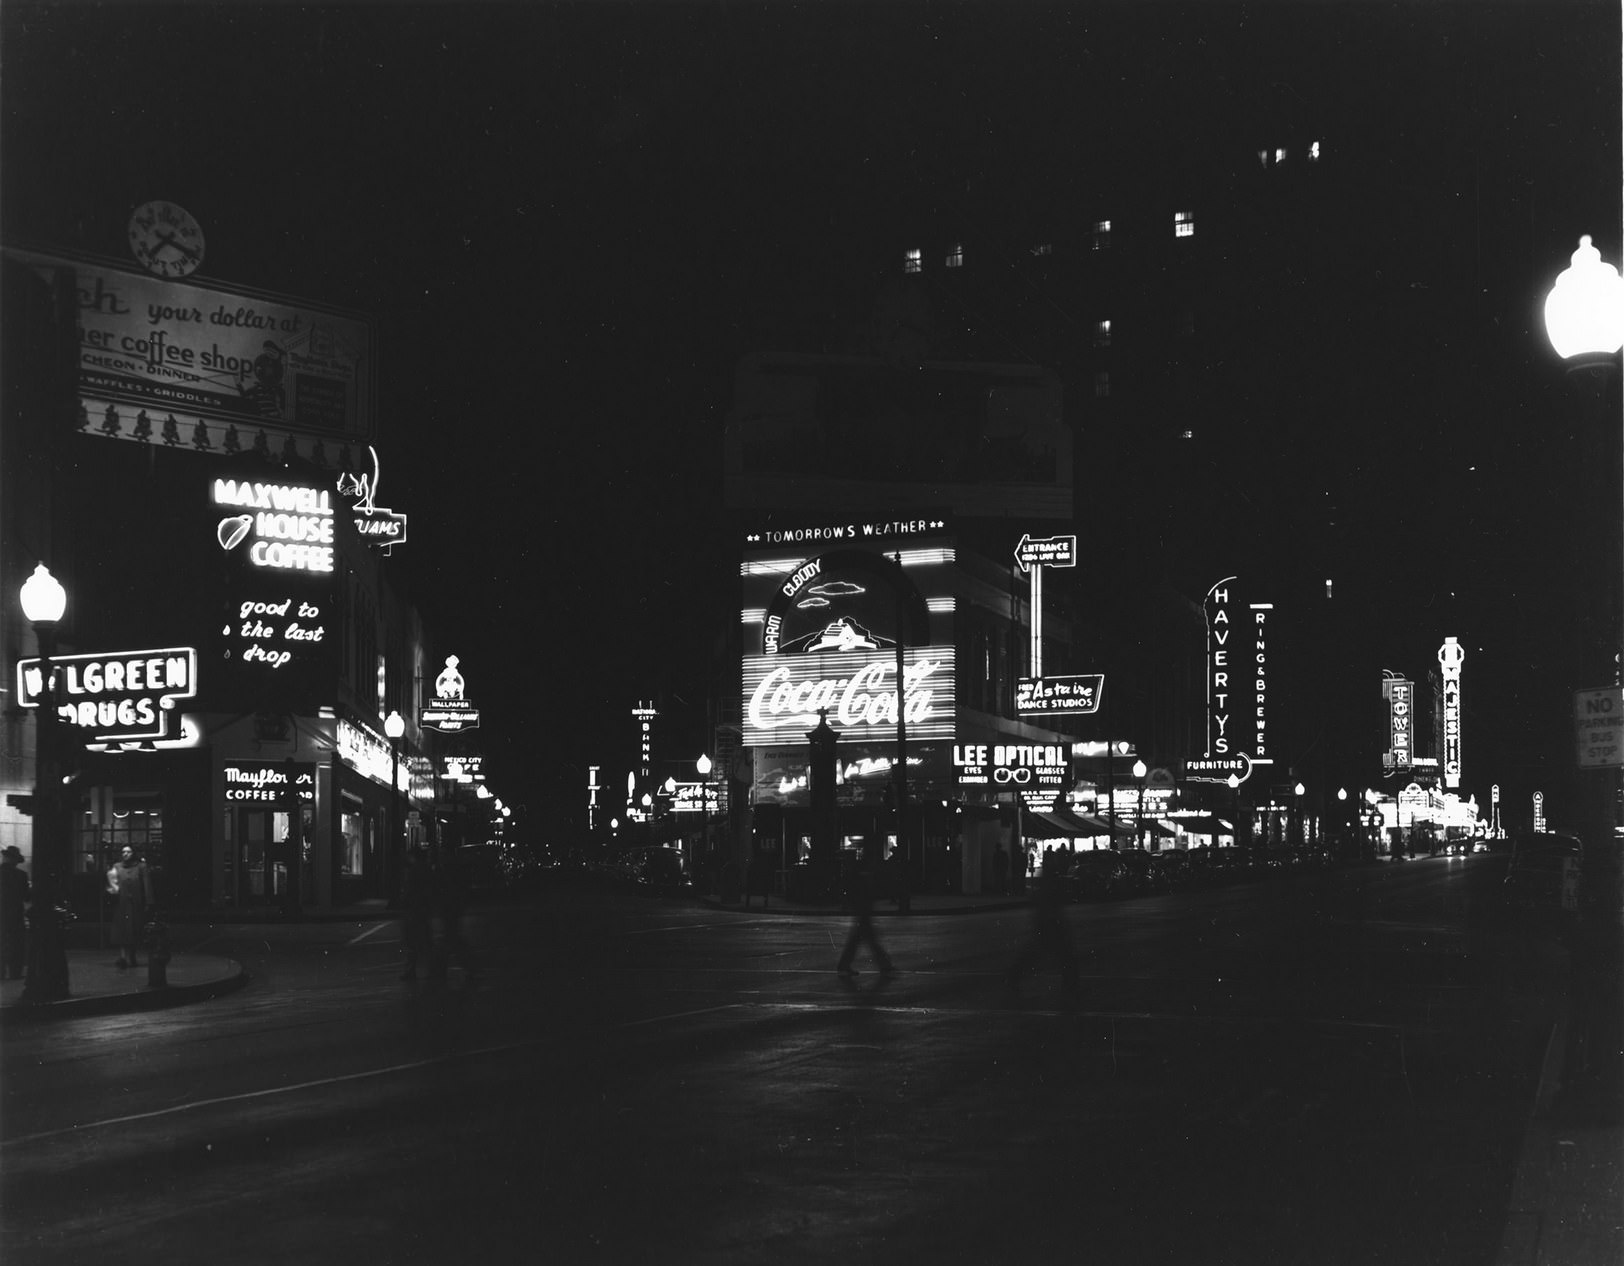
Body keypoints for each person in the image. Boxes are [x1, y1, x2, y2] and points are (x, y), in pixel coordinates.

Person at [1007, 852, 1080, 996]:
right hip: (1051, 922)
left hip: (1047, 921)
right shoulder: (1051, 876)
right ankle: (1071, 987)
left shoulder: (1046, 875)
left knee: (1039, 953)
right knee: (1064, 956)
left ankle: (1013, 976)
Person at [836, 847, 894, 978]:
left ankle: (845, 964)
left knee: (861, 939)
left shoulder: (857, 871)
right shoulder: (859, 872)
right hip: (862, 908)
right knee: (868, 939)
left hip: (862, 907)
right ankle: (884, 965)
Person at [107, 846, 154, 969]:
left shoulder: (140, 867)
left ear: (133, 853)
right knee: (122, 930)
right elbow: (112, 882)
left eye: (128, 851)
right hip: (121, 903)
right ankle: (122, 957)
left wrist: (148, 902)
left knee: (134, 929)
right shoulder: (117, 866)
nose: (125, 854)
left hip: (135, 903)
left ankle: (132, 955)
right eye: (123, 852)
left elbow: (146, 884)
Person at [398, 844, 434, 981]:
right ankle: (424, 969)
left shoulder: (415, 870)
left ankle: (413, 970)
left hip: (415, 910)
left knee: (414, 941)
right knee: (421, 942)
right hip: (421, 910)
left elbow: (410, 890)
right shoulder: (425, 869)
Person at [0, 845, 31, 980]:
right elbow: (26, 897)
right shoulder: (21, 875)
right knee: (17, 943)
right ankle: (15, 972)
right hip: (15, 913)